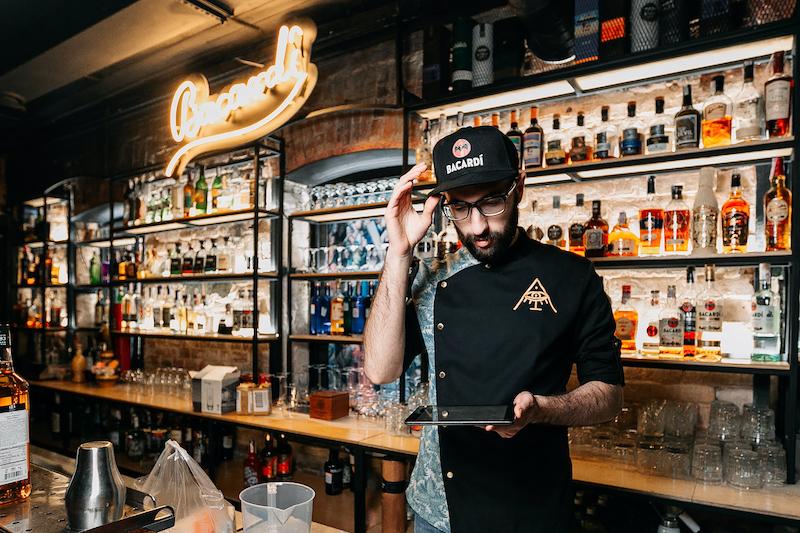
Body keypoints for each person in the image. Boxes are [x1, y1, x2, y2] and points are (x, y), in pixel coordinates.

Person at [363, 126, 624, 532]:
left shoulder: (572, 277)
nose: (478, 226)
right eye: (461, 209)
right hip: (438, 513)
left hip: (532, 510)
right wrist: (399, 252)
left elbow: (608, 395)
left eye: (491, 202)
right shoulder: (433, 280)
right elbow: (380, 370)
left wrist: (541, 409)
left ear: (519, 186)